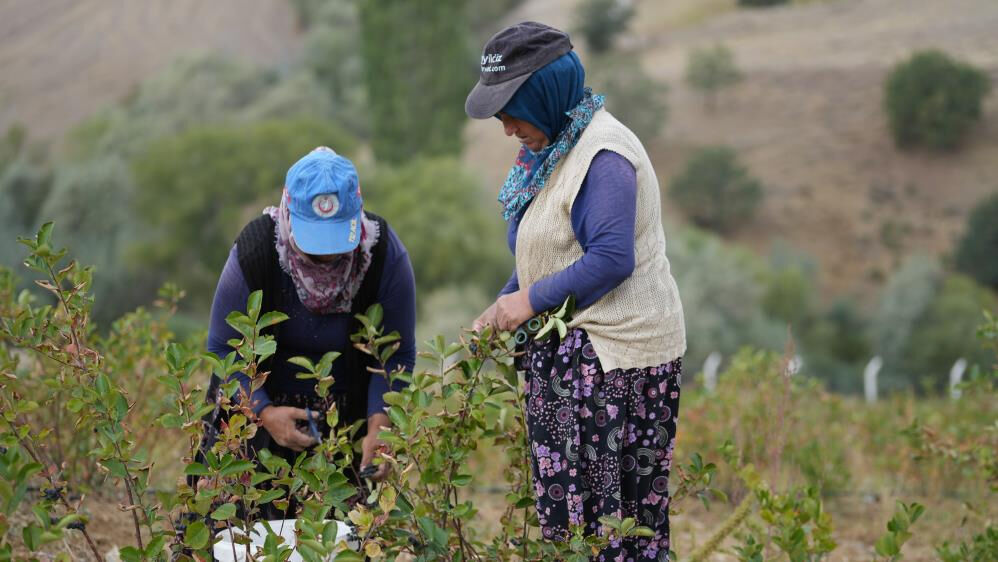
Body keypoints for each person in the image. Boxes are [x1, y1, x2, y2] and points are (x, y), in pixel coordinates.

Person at [466, 22, 687, 561]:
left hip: (615, 362)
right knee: (576, 528)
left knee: (609, 528)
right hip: (576, 359)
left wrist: (527, 303)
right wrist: (504, 305)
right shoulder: (550, 149)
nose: (506, 127)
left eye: (510, 110)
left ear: (541, 94)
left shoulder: (602, 156)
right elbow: (544, 252)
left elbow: (611, 259)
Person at [203, 147, 415, 516]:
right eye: (315, 246)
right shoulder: (257, 252)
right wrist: (263, 413)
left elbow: (396, 353)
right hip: (253, 419)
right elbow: (223, 350)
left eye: (336, 243)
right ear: (289, 212)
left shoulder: (382, 255)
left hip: (346, 426)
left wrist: (381, 424)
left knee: (346, 541)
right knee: (241, 538)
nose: (328, 258)